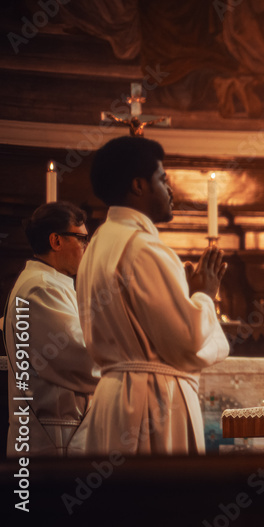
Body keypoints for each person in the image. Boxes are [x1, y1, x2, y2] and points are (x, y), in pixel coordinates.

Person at [69, 136, 229, 455]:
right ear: (139, 186)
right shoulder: (144, 248)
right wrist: (204, 296)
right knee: (160, 502)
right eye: (163, 179)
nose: (170, 190)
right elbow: (187, 344)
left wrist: (183, 295)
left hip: (112, 400)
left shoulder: (99, 244)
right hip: (152, 402)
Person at [4, 202, 99, 456]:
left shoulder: (49, 283)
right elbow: (85, 360)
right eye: (81, 239)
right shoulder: (41, 289)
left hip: (60, 434)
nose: (86, 248)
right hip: (53, 441)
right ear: (56, 241)